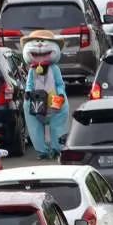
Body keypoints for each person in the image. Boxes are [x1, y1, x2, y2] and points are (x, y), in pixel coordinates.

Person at [20, 31, 69, 159]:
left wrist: (61, 94)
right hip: (37, 99)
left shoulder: (54, 68)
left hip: (53, 99)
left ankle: (57, 148)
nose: (40, 45)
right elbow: (29, 83)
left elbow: (59, 83)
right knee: (35, 126)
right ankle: (42, 151)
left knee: (57, 125)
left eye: (44, 41)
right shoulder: (32, 69)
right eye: (36, 42)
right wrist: (27, 93)